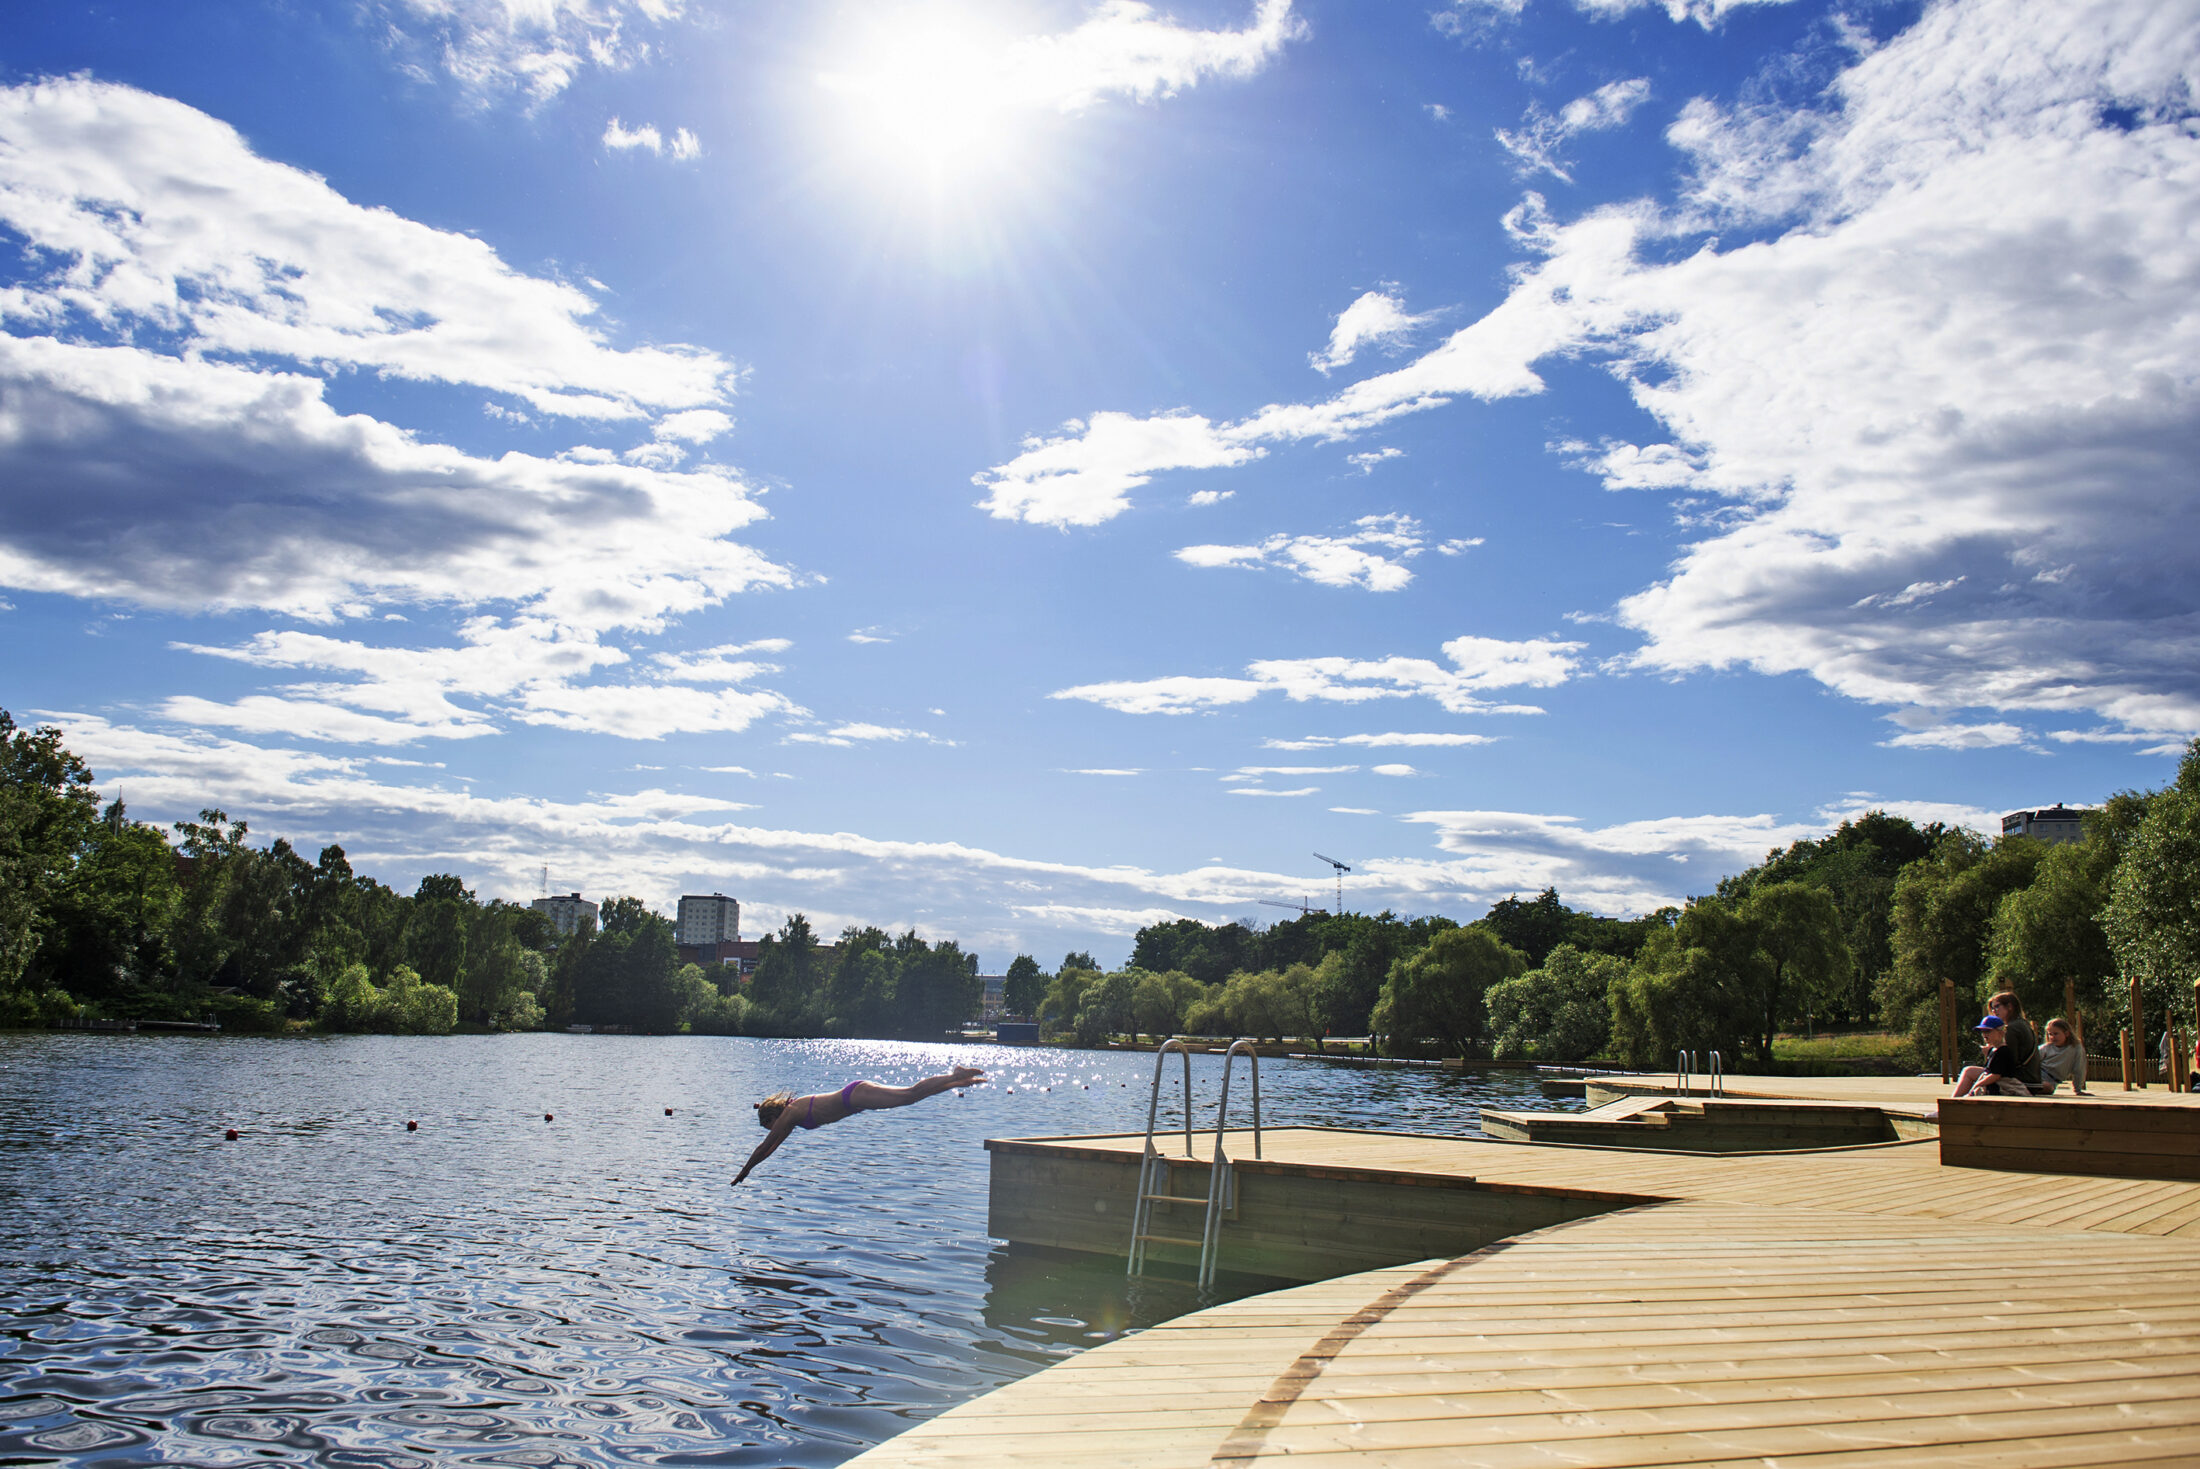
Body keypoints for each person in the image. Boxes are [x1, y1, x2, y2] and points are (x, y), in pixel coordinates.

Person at [732, 1066, 986, 1186]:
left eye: (769, 1127)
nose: (772, 1131)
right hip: (855, 1099)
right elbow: (771, 1147)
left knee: (907, 1095)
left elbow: (763, 1148)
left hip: (853, 1096)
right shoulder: (790, 1118)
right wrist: (749, 1171)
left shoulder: (789, 1114)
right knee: (909, 1099)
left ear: (771, 1118)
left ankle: (954, 1074)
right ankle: (954, 1082)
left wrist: (744, 1171)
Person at [1950, 991, 2041, 1097]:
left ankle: (1952, 1103)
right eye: (1992, 1008)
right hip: (2033, 1078)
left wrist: (1990, 1051)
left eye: (1997, 1007)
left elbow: (2009, 1061)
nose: (1994, 1011)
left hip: (2022, 1080)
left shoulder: (2011, 1028)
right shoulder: (2023, 1024)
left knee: (1968, 1071)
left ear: (2010, 1006)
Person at [2038, 1017, 2086, 1095]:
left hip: (2052, 1080)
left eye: (2056, 1034)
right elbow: (2032, 1060)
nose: (2053, 1037)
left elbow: (2079, 1069)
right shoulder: (2046, 1048)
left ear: (2066, 1033)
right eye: (2050, 1034)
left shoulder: (2075, 1048)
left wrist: (2078, 1089)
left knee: (2048, 1088)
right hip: (2039, 1074)